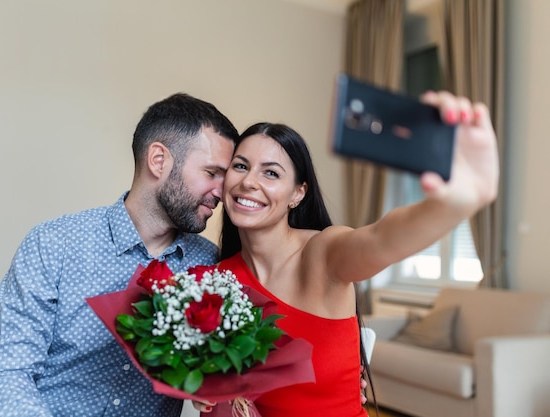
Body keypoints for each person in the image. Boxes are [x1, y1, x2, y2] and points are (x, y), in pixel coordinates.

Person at [205, 91, 499, 417]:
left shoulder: (322, 254)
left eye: (270, 173)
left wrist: (453, 204)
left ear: (297, 194)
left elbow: (381, 239)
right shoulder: (216, 280)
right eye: (241, 166)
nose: (248, 182)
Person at [0, 93, 240, 417]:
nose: (221, 192)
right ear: (159, 160)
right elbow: (6, 377)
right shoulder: (54, 244)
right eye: (211, 173)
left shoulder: (209, 265)